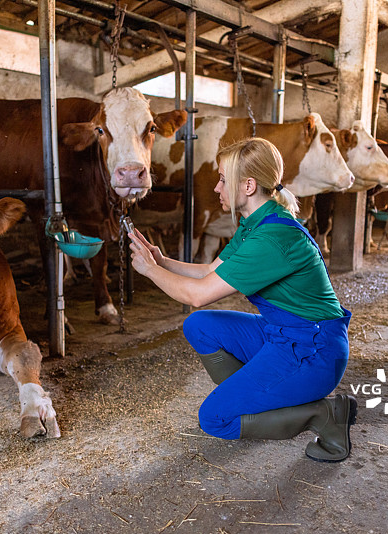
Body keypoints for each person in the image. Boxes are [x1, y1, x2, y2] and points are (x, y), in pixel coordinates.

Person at [128, 137, 356, 462]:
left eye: (223, 179)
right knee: (200, 327)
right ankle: (258, 403)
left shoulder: (272, 237)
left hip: (314, 352)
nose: (218, 188)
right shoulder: (257, 222)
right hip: (283, 334)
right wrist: (161, 260)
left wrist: (149, 272)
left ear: (248, 185)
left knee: (214, 419)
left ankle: (324, 414)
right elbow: (209, 271)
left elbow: (196, 295)